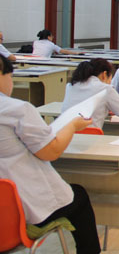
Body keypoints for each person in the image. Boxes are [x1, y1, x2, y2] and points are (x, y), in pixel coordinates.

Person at [0, 55, 101, 253]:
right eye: (10, 76)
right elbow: (51, 151)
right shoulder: (17, 109)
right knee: (78, 196)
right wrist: (72, 126)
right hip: (17, 213)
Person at [62, 59, 119, 129]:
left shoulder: (70, 86)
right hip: (90, 136)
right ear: (104, 74)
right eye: (110, 79)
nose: (110, 82)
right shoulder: (105, 89)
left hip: (65, 135)